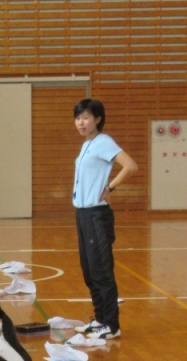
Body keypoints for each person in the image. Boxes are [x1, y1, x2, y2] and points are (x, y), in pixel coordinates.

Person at [71, 98, 137, 341]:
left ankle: (111, 324)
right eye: (78, 118)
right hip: (82, 214)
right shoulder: (87, 145)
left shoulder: (103, 142)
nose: (81, 122)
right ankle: (100, 319)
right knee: (89, 271)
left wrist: (110, 187)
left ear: (97, 119)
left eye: (86, 117)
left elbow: (130, 166)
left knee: (101, 271)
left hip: (97, 215)